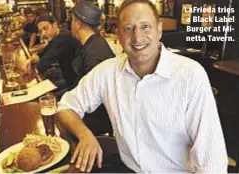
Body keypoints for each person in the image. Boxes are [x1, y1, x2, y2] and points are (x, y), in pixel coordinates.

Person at [56, 0, 228, 172]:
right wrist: (85, 135)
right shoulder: (107, 72)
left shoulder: (190, 76)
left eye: (145, 27)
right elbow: (66, 106)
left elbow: (213, 164)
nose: (137, 37)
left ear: (159, 30)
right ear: (119, 35)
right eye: (128, 28)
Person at [70, 1, 115, 136]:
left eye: (71, 21)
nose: (70, 25)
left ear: (77, 23)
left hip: (97, 123)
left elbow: (94, 103)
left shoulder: (93, 54)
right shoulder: (93, 43)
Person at [24, 14, 82, 91]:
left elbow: (42, 65)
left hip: (77, 85)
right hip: (69, 80)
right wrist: (32, 59)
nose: (43, 34)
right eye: (40, 31)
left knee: (43, 94)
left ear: (54, 25)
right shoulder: (58, 36)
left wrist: (34, 63)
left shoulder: (63, 38)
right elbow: (44, 53)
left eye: (46, 28)